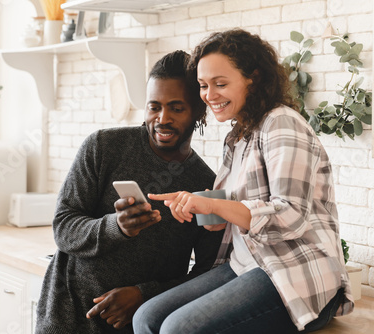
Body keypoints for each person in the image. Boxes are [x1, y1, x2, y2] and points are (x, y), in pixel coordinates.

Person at [133, 29, 354, 334]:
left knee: (177, 329)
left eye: (220, 84)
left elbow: (290, 216)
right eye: (202, 85)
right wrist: (197, 206)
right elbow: (222, 219)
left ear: (253, 78)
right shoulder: (237, 136)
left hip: (296, 277)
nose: (209, 95)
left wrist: (213, 204)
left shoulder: (281, 122)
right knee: (145, 317)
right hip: (246, 266)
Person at [34, 50, 224, 334]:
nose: (162, 118)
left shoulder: (207, 186)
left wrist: (143, 295)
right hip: (67, 316)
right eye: (154, 106)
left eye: (176, 108)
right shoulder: (103, 147)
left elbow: (209, 273)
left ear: (199, 110)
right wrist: (115, 227)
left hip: (135, 325)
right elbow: (63, 227)